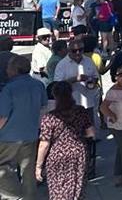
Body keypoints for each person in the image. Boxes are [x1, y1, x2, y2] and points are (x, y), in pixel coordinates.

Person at [36, 82, 95, 200]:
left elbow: (44, 144)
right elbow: (91, 133)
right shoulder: (81, 111)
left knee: (58, 190)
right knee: (77, 189)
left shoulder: (49, 118)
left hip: (57, 156)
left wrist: (38, 166)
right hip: (78, 153)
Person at [0, 54, 47, 200]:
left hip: (9, 137)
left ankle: (13, 194)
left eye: (8, 67)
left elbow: (3, 116)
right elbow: (43, 108)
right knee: (28, 172)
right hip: (31, 134)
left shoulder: (9, 89)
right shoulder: (38, 85)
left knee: (2, 167)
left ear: (15, 70)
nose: (6, 70)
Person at [53, 39, 100, 116]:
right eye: (74, 51)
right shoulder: (62, 65)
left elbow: (96, 76)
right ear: (69, 50)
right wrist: (76, 79)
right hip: (70, 105)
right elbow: (57, 85)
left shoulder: (89, 61)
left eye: (80, 50)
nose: (78, 53)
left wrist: (92, 81)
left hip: (88, 103)